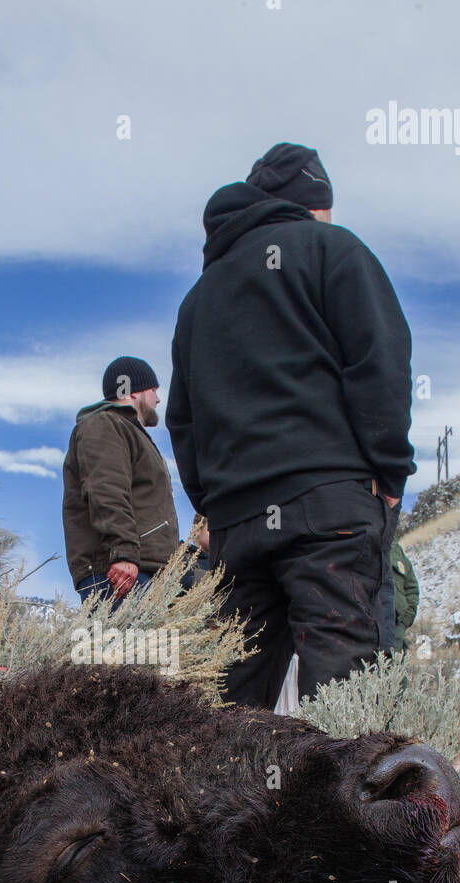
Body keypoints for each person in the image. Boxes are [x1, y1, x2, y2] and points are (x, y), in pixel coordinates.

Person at [166, 142, 416, 706]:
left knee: (231, 711)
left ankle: (224, 795)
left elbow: (183, 420)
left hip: (237, 526)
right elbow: (379, 365)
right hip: (329, 510)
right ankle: (339, 795)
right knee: (348, 708)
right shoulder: (334, 249)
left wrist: (217, 501)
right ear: (312, 204)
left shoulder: (197, 300)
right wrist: (390, 473)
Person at [62, 356, 178, 610]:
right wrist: (123, 552)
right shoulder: (104, 424)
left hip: (141, 571)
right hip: (120, 572)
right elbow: (106, 489)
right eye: (153, 390)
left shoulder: (125, 429)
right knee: (121, 650)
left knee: (145, 651)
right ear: (133, 390)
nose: (158, 399)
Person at [391, 538, 420, 651]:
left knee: (394, 665)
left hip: (396, 626)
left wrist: (404, 620)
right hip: (366, 627)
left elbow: (411, 587)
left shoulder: (395, 549)